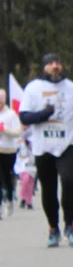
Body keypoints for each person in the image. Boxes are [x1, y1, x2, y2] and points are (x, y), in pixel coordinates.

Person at [18, 53, 73, 247]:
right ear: (44, 67)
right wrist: (44, 114)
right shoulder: (33, 89)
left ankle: (70, 226)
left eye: (58, 63)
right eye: (51, 63)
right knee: (49, 189)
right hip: (43, 147)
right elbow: (24, 117)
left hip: (68, 144)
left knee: (69, 182)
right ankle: (53, 228)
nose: (55, 66)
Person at [0, 89, 20, 218]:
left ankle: (9, 199)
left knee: (7, 177)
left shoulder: (11, 114)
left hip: (9, 150)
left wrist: (5, 130)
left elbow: (17, 132)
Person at [15, 132, 35, 209]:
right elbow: (23, 154)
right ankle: (23, 198)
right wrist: (23, 144)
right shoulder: (22, 144)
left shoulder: (33, 145)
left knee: (30, 184)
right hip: (23, 166)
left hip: (32, 166)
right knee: (25, 180)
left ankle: (28, 202)